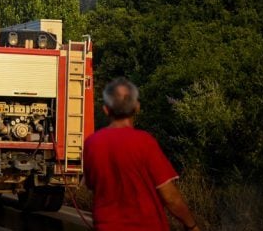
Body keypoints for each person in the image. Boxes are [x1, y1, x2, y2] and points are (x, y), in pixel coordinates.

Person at [83, 77, 200, 231]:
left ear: (105, 109)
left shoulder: (91, 143)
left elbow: (92, 185)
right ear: (137, 107)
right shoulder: (145, 142)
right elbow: (170, 197)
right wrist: (191, 225)